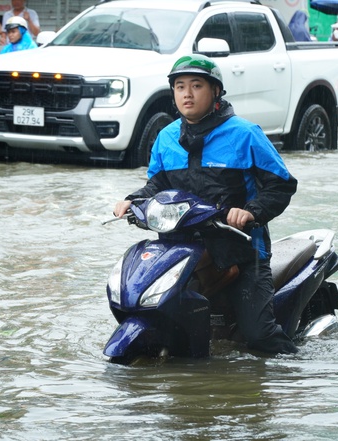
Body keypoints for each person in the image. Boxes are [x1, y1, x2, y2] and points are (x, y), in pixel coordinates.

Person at [113, 54, 299, 355]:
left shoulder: (245, 134)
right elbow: (158, 185)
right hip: (181, 252)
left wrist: (251, 211)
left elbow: (281, 184)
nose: (187, 93)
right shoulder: (166, 137)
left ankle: (292, 377)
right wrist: (133, 200)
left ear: (215, 92)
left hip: (240, 252)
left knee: (258, 335)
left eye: (196, 85)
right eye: (179, 86)